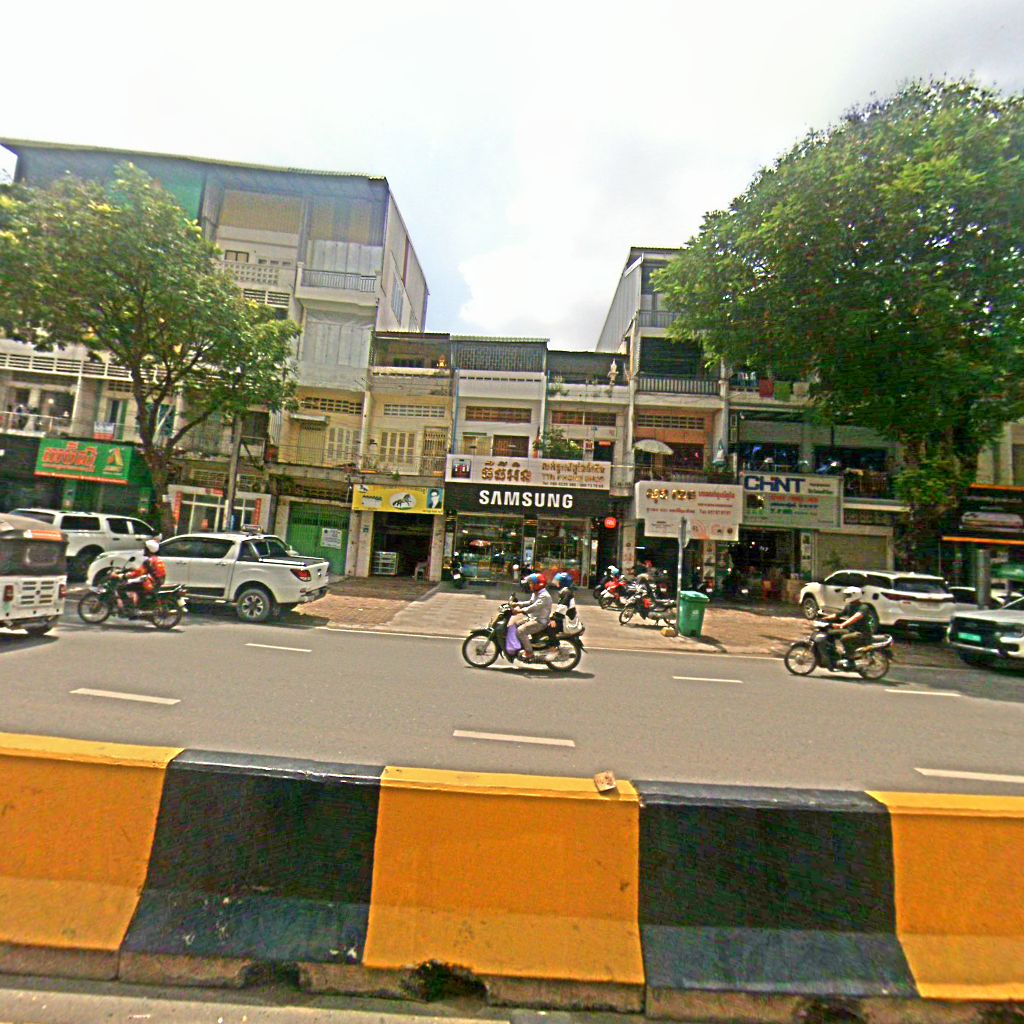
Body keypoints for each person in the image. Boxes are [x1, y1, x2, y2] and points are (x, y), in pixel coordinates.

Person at [825, 585, 873, 668]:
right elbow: (838, 615)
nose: (846, 597)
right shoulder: (849, 606)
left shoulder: (863, 607)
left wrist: (842, 625)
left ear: (855, 595)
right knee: (829, 633)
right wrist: (826, 618)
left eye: (848, 595)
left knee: (844, 638)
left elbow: (856, 617)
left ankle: (851, 659)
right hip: (851, 630)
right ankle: (833, 654)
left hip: (862, 633)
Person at [117, 539, 167, 615]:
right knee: (136, 584)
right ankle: (138, 604)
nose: (144, 550)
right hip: (158, 582)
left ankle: (129, 609)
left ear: (149, 550)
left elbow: (138, 573)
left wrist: (124, 576)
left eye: (145, 548)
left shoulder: (148, 561)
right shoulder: (157, 559)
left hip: (151, 584)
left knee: (121, 588)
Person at [513, 572, 553, 662]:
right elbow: (530, 602)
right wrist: (517, 604)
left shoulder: (544, 596)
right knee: (515, 624)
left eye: (531, 583)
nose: (530, 585)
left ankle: (529, 653)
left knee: (521, 631)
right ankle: (520, 646)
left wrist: (520, 610)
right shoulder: (536, 593)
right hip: (532, 618)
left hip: (540, 622)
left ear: (538, 584)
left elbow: (534, 607)